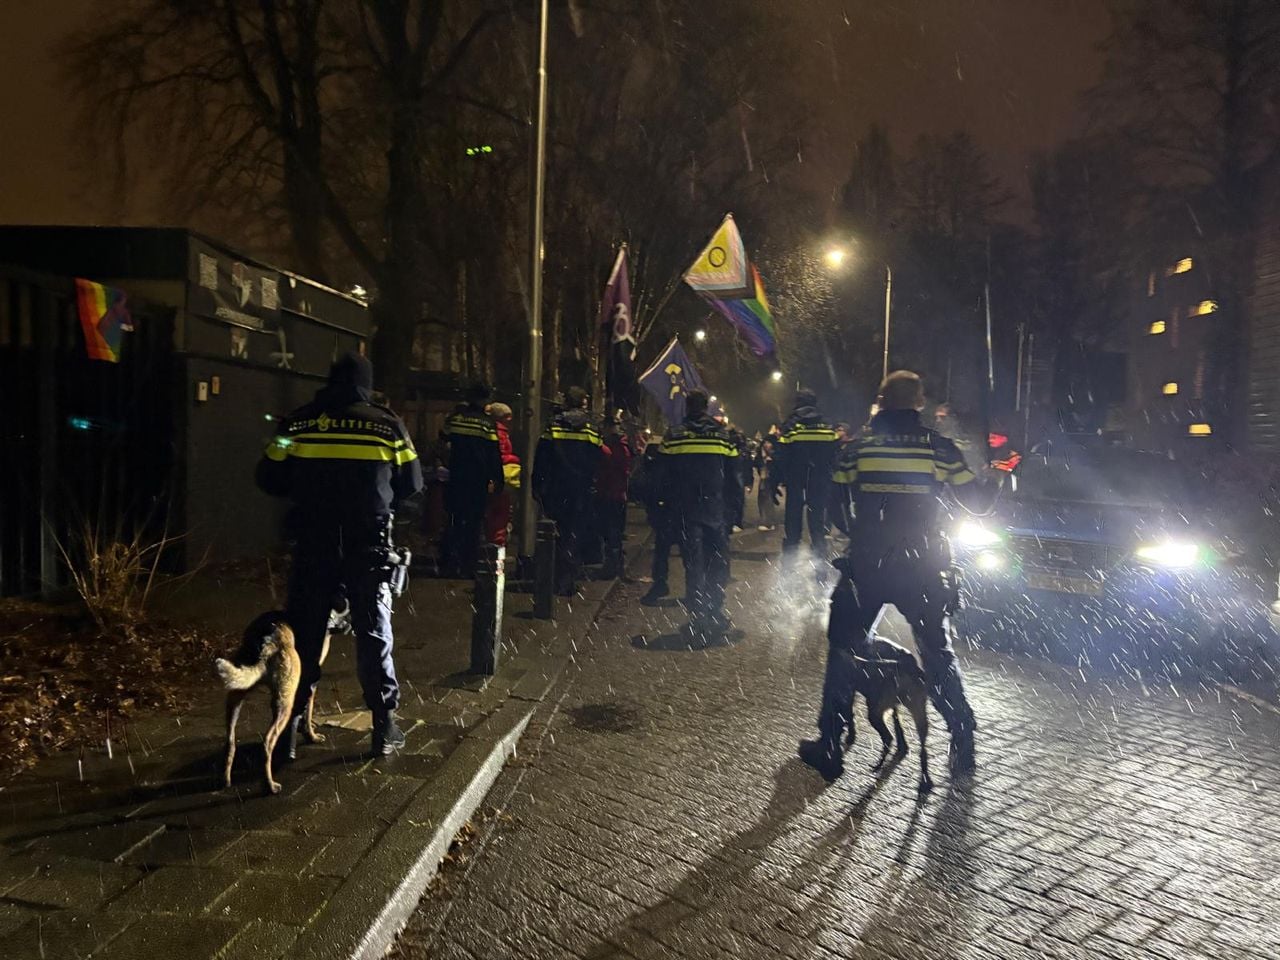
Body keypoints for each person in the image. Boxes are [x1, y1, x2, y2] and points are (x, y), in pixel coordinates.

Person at [799, 370, 998, 781]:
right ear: (918, 403)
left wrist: (859, 535)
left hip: (869, 566)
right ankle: (962, 735)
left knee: (843, 649)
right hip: (924, 567)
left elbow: (833, 506)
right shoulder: (940, 448)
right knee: (936, 652)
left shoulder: (857, 449)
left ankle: (831, 744)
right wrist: (993, 476)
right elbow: (977, 503)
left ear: (881, 403)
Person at [256, 352, 423, 757]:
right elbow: (413, 482)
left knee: (305, 635)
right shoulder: (387, 424)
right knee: (373, 631)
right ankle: (384, 727)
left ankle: (288, 734)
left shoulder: (296, 422)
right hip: (368, 544)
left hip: (314, 542)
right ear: (366, 383)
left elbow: (269, 476)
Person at [655, 390, 740, 636]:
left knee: (694, 562)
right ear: (705, 408)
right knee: (718, 559)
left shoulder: (674, 436)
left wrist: (661, 504)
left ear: (687, 407)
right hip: (716, 508)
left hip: (685, 509)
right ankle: (715, 607)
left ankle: (697, 611)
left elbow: (661, 475)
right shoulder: (723, 436)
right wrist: (734, 510)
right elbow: (734, 476)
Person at [532, 386, 605, 595]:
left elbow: (542, 456)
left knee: (554, 532)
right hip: (580, 489)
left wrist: (537, 484)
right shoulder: (591, 427)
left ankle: (552, 578)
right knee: (574, 533)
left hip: (556, 487)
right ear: (583, 402)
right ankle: (566, 579)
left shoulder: (554, 424)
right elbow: (597, 458)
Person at [442, 385, 503, 577]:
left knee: (455, 520)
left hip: (456, 477)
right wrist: (498, 480)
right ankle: (469, 565)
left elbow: (443, 442)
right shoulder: (486, 424)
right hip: (477, 480)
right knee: (474, 523)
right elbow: (494, 454)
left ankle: (450, 563)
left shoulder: (455, 420)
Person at [775, 390, 839, 555]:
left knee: (793, 516)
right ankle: (819, 550)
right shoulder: (827, 424)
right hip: (820, 478)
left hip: (795, 479)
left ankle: (790, 554)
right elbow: (835, 456)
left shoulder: (790, 425)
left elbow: (781, 456)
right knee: (817, 516)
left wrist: (774, 481)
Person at [632, 436, 678, 605]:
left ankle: (661, 584)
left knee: (664, 549)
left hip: (672, 510)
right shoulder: (666, 461)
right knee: (669, 550)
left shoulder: (662, 460)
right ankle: (662, 584)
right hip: (674, 510)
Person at [596, 412, 633, 578]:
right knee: (614, 532)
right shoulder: (622, 446)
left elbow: (611, 470)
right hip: (617, 494)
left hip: (610, 494)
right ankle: (615, 566)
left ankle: (612, 567)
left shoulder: (613, 447)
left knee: (611, 532)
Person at [483, 402, 520, 548]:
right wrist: (514, 459)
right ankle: (497, 543)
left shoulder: (492, 430)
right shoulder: (500, 433)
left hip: (489, 476)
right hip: (501, 477)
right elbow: (500, 455)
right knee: (500, 511)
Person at [754, 428, 781, 531]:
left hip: (771, 479)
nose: (766, 445)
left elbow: (779, 467)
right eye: (765, 442)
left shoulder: (776, 454)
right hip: (763, 479)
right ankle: (765, 520)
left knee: (768, 499)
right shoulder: (761, 454)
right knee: (762, 499)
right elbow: (757, 463)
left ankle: (768, 523)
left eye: (769, 443)